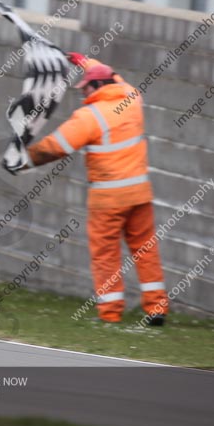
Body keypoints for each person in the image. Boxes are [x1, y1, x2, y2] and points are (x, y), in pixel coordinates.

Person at [17, 53, 169, 325]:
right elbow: (113, 77)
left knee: (106, 256)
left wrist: (22, 161)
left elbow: (55, 147)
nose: (82, 91)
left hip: (108, 199)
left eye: (86, 86)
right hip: (139, 194)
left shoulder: (90, 116)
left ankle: (110, 314)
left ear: (97, 87)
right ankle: (156, 309)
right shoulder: (131, 98)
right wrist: (84, 61)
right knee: (146, 250)